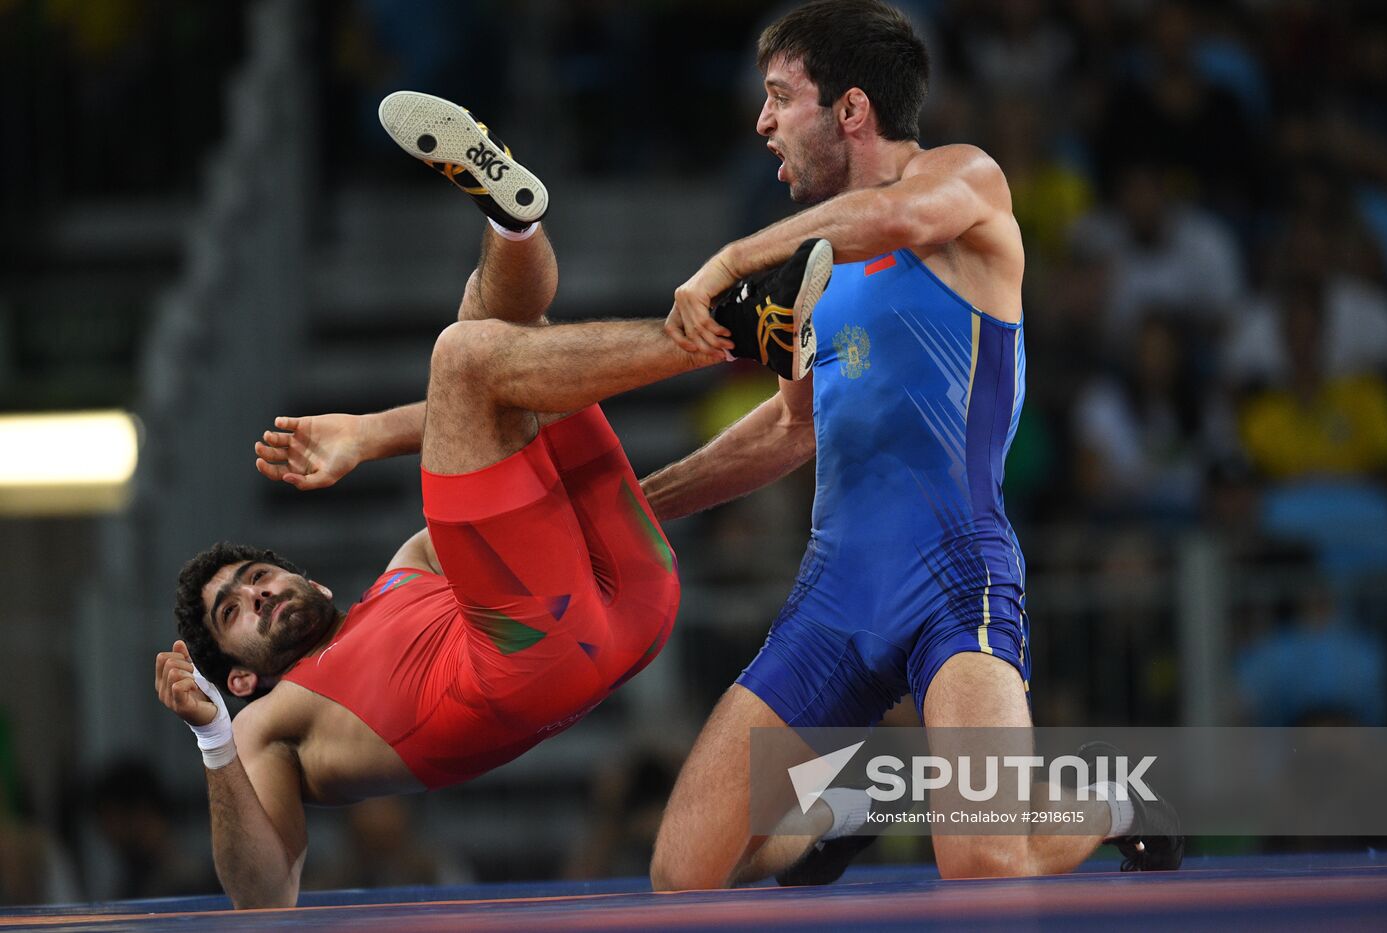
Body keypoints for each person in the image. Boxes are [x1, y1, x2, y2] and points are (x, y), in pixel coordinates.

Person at [153, 90, 833, 909]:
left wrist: (367, 433)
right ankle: (733, 327)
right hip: (526, 659)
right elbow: (265, 897)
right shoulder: (269, 727)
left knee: (498, 325)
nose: (258, 590)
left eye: (258, 575)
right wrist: (211, 738)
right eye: (235, 609)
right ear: (242, 681)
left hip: (632, 593)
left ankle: (513, 222)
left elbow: (479, 420)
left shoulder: (416, 564)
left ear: (320, 585)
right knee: (467, 354)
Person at [647, 0, 1182, 889]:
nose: (763, 121)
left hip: (955, 577)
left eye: (781, 96)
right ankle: (858, 801)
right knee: (685, 874)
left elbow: (893, 220)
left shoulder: (965, 179)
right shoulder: (815, 265)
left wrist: (727, 263)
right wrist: (638, 503)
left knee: (980, 860)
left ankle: (1107, 793)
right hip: (834, 596)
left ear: (850, 110)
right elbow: (791, 426)